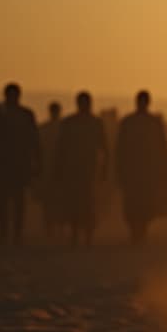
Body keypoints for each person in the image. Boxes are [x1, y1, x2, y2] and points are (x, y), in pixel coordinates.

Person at [0, 83, 41, 245]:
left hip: (18, 161)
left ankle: (15, 233)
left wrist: (38, 162)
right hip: (6, 160)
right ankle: (5, 232)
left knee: (16, 199)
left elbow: (34, 141)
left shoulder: (23, 114)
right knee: (4, 199)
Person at [116, 91, 167, 244]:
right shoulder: (128, 122)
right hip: (132, 169)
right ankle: (135, 230)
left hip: (148, 170)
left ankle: (141, 229)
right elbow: (120, 148)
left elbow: (162, 147)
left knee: (146, 202)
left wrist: (165, 169)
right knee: (132, 203)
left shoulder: (154, 123)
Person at [55, 91, 108, 246]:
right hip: (74, 169)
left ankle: (85, 235)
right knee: (75, 202)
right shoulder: (71, 123)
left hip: (88, 170)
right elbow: (61, 148)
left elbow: (104, 148)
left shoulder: (94, 123)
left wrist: (104, 169)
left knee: (87, 203)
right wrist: (58, 168)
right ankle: (77, 233)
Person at [35, 102, 65, 237]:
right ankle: (52, 226)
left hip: (57, 168)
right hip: (49, 167)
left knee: (56, 199)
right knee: (51, 199)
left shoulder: (47, 128)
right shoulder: (63, 128)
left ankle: (55, 226)